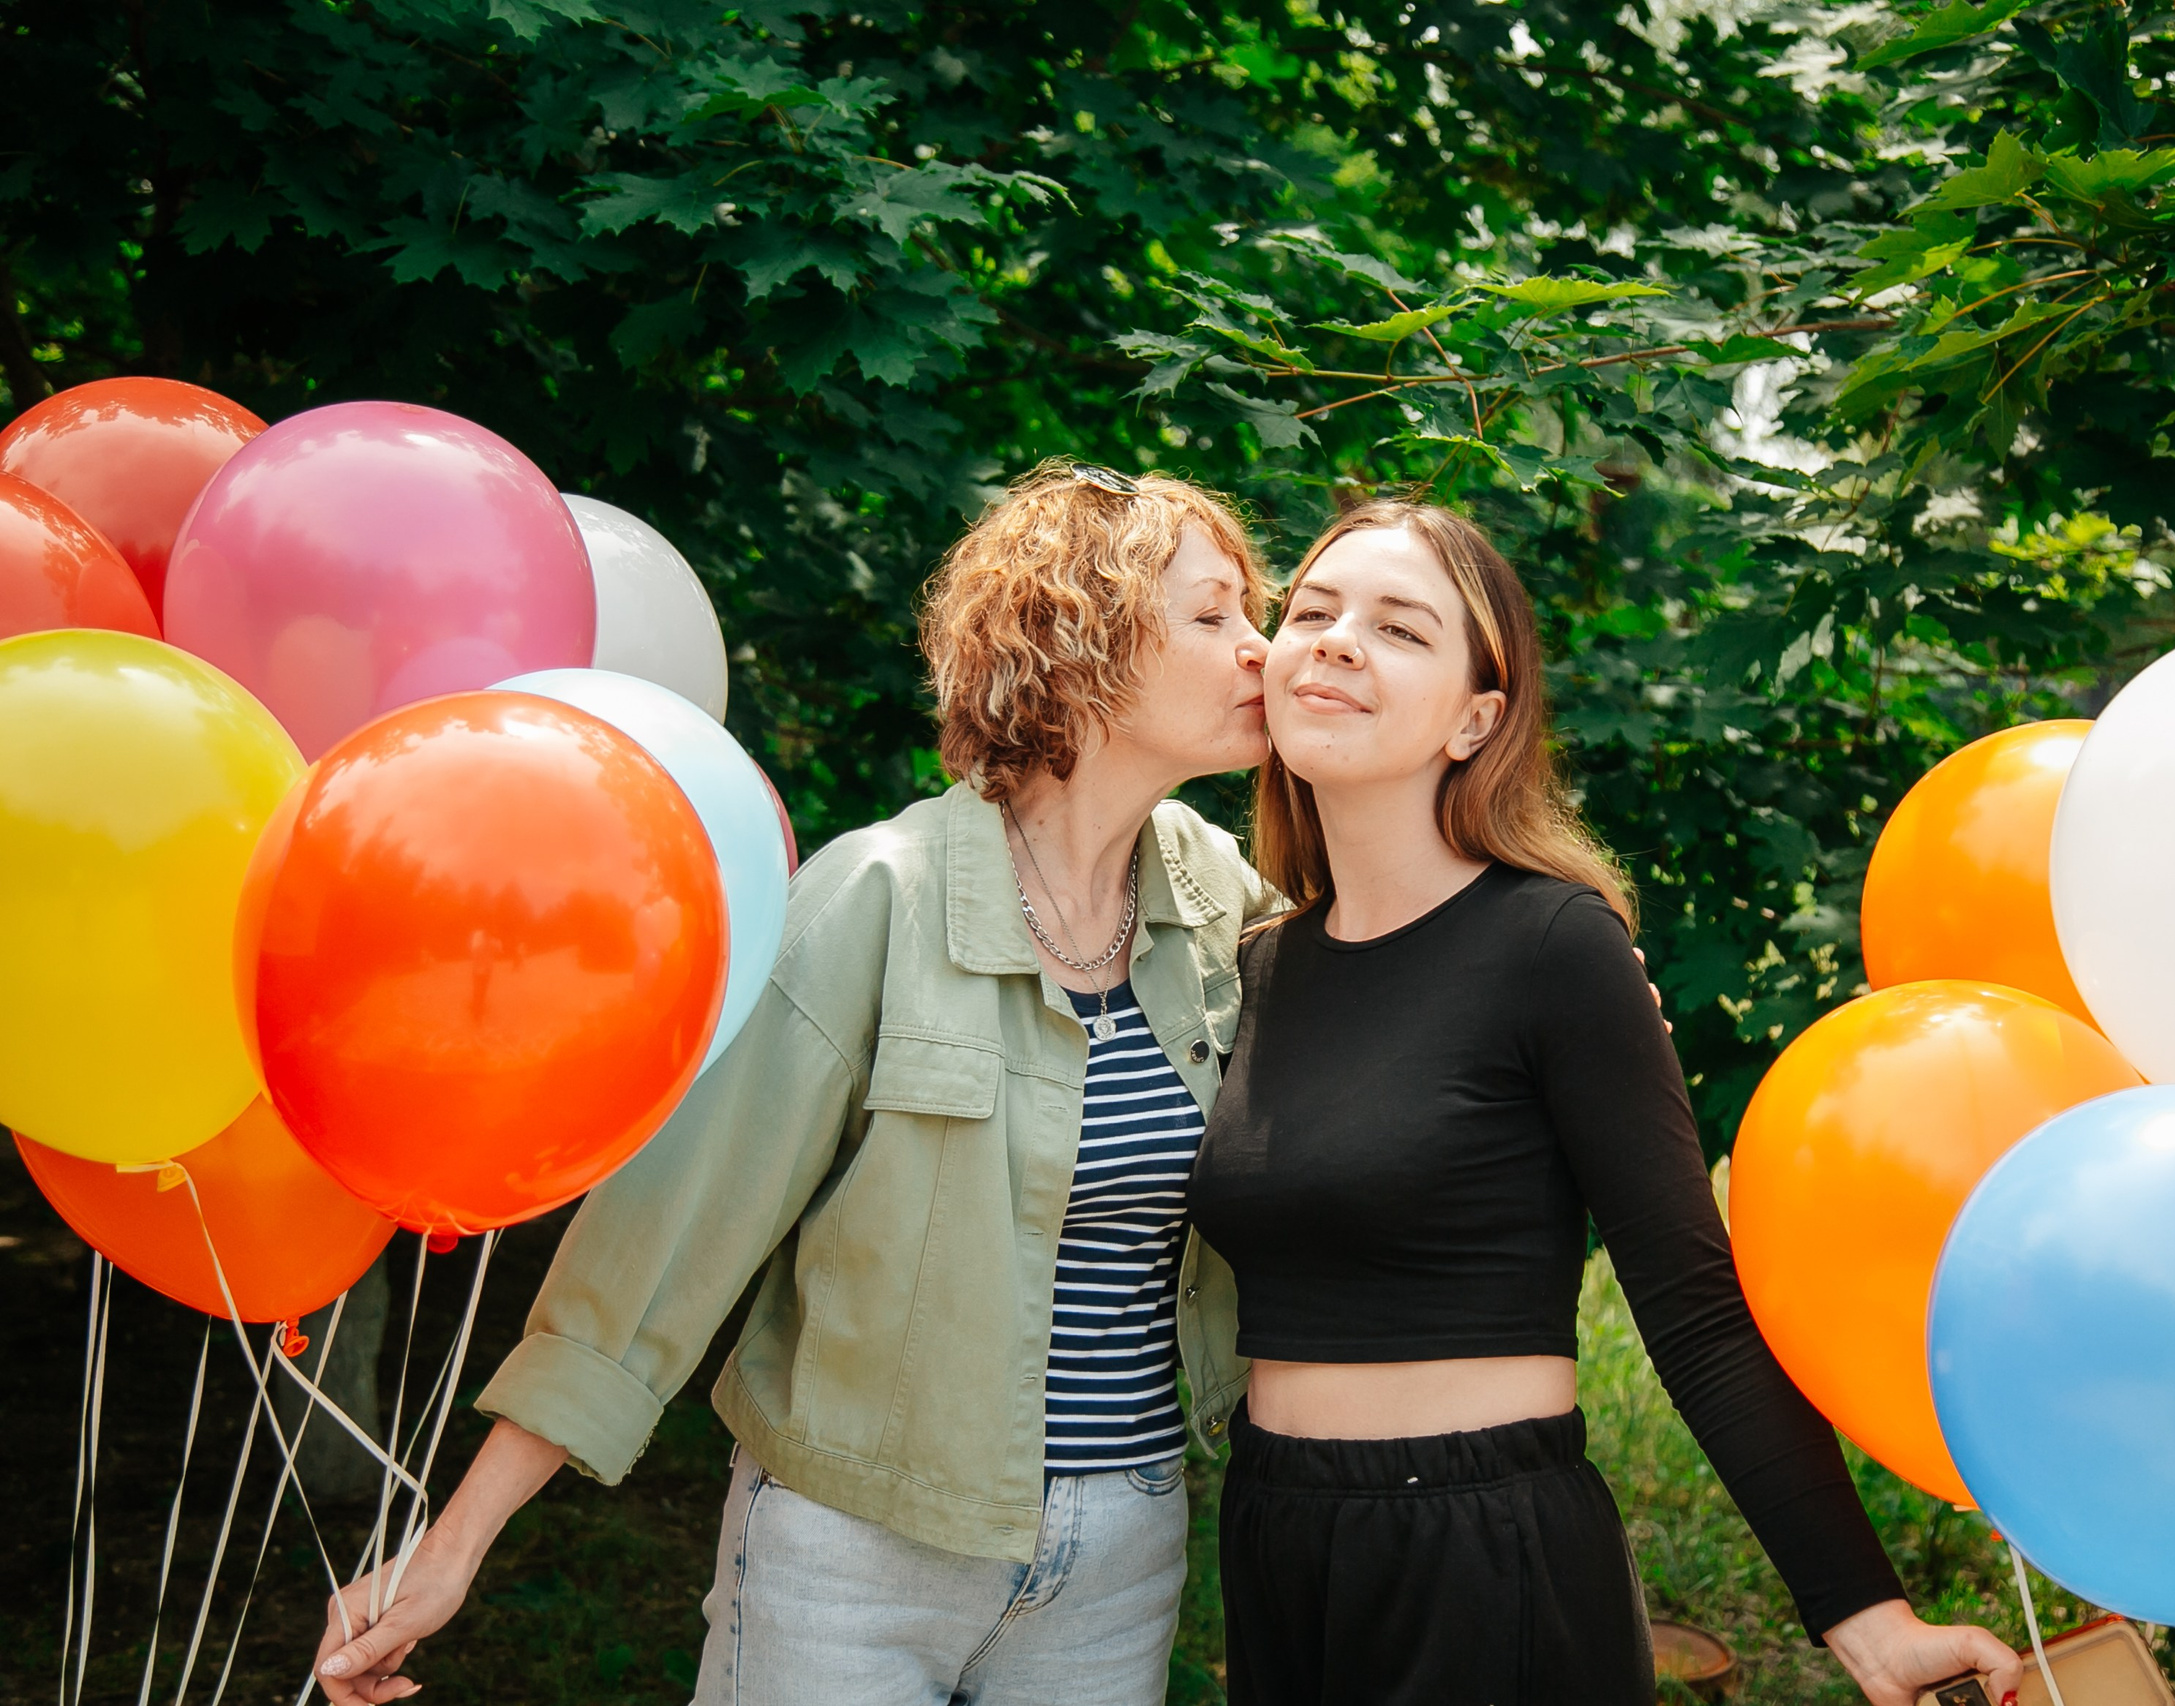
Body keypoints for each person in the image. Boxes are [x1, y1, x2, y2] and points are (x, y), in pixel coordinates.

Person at [311, 461, 1282, 1706]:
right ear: (1082, 639)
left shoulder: (1215, 894)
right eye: (1214, 616)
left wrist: (1560, 990)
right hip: (854, 1556)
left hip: (1119, 1557)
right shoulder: (876, 895)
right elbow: (657, 1253)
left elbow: (1385, 1021)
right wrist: (450, 1548)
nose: (1264, 650)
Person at [1187, 500, 2025, 1706]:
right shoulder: (1253, 967)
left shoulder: (1552, 945)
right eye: (1311, 611)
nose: (1334, 639)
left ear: (1477, 718)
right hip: (1278, 1534)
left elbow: (1691, 1306)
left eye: (1400, 627)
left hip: (1483, 1548)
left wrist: (1866, 1615)